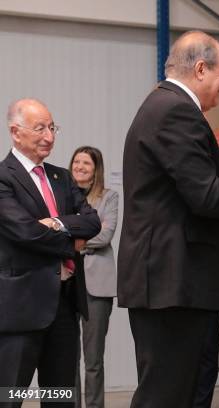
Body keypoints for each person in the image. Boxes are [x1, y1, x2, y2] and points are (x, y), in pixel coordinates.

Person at [118, 31, 219, 408]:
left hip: (170, 283)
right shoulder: (177, 111)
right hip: (172, 284)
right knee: (166, 395)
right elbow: (206, 195)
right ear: (200, 69)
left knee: (174, 391)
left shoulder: (162, 107)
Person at [0, 98, 101, 406]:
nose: (50, 136)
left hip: (64, 305)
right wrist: (72, 240)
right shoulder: (4, 177)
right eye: (40, 128)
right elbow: (25, 232)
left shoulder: (62, 176)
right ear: (16, 132)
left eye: (52, 127)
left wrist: (55, 222)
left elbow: (93, 221)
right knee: (10, 396)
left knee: (59, 397)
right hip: (22, 308)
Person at [70, 146, 118, 408]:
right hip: (66, 282)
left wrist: (71, 242)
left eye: (85, 163)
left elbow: (105, 235)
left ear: (95, 168)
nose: (79, 166)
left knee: (93, 359)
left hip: (97, 287)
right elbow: (55, 228)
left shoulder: (110, 198)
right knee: (68, 357)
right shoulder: (62, 195)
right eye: (76, 161)